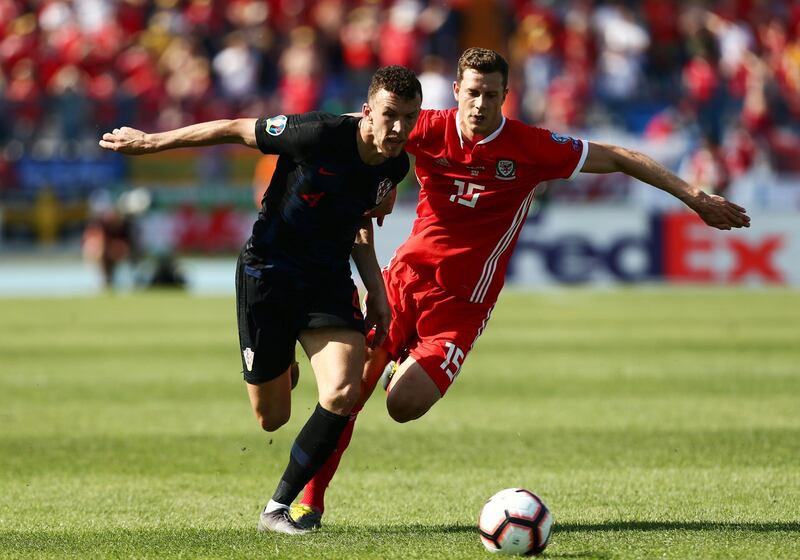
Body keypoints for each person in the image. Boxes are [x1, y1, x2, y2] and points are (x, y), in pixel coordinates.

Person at [290, 47, 751, 529]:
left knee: (403, 405)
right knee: (351, 390)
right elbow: (347, 128)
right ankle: (309, 502)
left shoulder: (531, 147)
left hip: (463, 306)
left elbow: (618, 157)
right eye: (472, 92)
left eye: (491, 94)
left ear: (505, 96)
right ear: (456, 92)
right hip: (404, 281)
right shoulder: (425, 127)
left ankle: (402, 367)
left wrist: (694, 197)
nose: (479, 104)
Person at [98, 65, 423, 535]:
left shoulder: (396, 165)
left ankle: (277, 509)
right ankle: (282, 363)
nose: (399, 129)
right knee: (272, 418)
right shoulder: (315, 133)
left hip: (327, 279)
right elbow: (233, 128)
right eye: (390, 115)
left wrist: (376, 287)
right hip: (267, 273)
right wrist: (151, 142)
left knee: (343, 390)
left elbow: (360, 224)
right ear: (368, 110)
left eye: (409, 118)